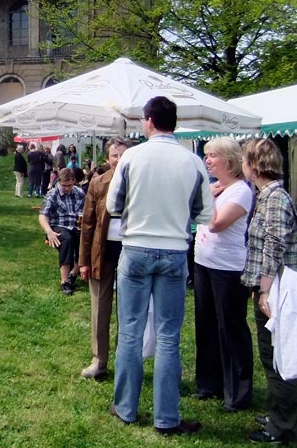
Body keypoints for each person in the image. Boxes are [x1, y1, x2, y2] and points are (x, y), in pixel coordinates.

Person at [106, 96, 213, 435]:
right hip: (173, 250)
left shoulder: (132, 156)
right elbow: (206, 213)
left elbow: (113, 205)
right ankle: (166, 417)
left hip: (136, 248)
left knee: (131, 331)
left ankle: (125, 408)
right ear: (174, 123)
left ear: (149, 121)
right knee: (168, 336)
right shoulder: (192, 161)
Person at [240, 138, 297, 444]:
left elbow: (274, 247)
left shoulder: (275, 198)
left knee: (279, 356)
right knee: (271, 355)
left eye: (244, 160)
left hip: (276, 290)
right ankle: (278, 414)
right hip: (270, 288)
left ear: (254, 165)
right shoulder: (266, 196)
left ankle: (283, 426)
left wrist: (264, 291)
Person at [192, 137, 254, 412]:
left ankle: (237, 392)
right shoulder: (216, 188)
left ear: (229, 160)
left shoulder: (240, 191)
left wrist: (206, 199)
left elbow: (215, 223)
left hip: (228, 269)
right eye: (206, 155)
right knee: (205, 324)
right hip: (203, 262)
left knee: (230, 328)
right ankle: (209, 383)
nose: (207, 160)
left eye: (212, 155)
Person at [79, 137, 130, 379]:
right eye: (114, 155)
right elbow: (87, 224)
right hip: (103, 252)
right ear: (107, 158)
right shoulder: (98, 183)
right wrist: (84, 262)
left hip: (132, 252)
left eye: (123, 154)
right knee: (100, 307)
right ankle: (99, 359)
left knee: (128, 308)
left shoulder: (139, 182)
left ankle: (125, 359)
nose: (118, 159)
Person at [39, 167, 85, 295]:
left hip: (76, 225)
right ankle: (64, 281)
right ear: (59, 181)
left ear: (74, 182)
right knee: (67, 240)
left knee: (86, 241)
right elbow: (43, 215)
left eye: (70, 185)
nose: (67, 188)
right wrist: (49, 232)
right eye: (64, 185)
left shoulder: (79, 193)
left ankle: (73, 274)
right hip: (58, 225)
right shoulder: (52, 194)